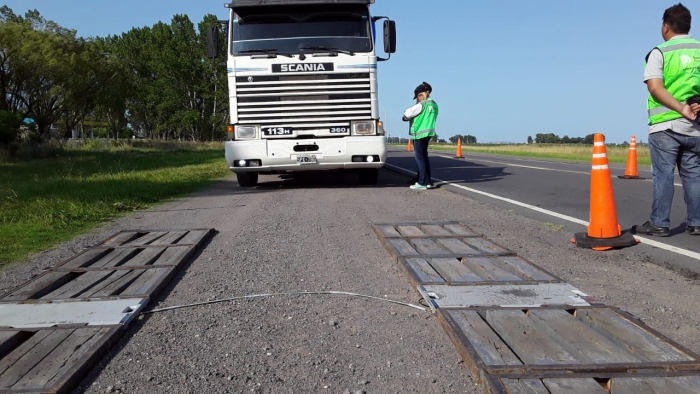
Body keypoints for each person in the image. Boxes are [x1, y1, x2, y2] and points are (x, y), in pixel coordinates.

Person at [636, 3, 700, 237]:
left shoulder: (659, 52)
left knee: (663, 175)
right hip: (695, 128)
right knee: (693, 175)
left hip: (666, 125)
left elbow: (655, 88)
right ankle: (696, 222)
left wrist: (681, 108)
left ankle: (659, 222)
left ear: (666, 27)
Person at [402, 82, 439, 190]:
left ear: (422, 94)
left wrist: (405, 116)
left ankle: (422, 183)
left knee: (420, 159)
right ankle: (427, 181)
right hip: (428, 133)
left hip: (419, 134)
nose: (417, 99)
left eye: (418, 96)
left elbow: (407, 114)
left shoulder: (421, 105)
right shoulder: (434, 104)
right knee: (424, 158)